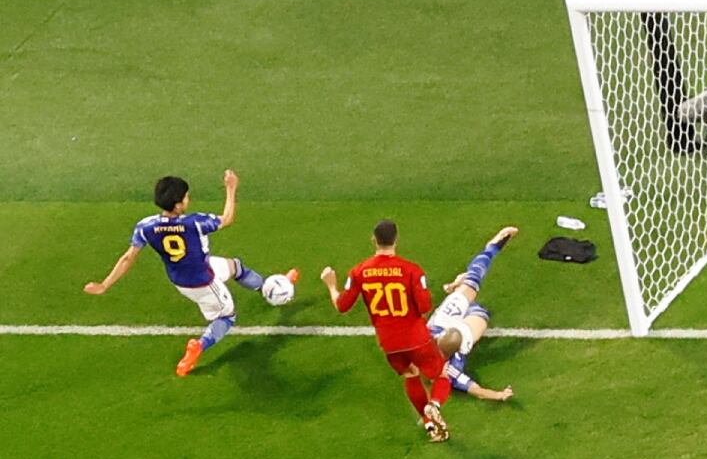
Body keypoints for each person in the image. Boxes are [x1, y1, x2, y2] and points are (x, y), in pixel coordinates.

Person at [84, 171, 298, 376]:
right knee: (227, 316)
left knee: (235, 267)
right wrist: (231, 189)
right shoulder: (194, 223)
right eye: (186, 196)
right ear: (178, 205)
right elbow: (228, 218)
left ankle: (269, 288)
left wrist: (104, 285)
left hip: (182, 277)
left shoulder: (145, 227)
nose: (189, 198)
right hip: (203, 281)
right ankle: (198, 347)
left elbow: (128, 258)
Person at [319, 220, 453, 442]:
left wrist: (331, 286)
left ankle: (430, 426)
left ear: (374, 240)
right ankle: (434, 405)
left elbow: (342, 306)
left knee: (410, 374)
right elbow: (425, 306)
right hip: (416, 337)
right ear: (396, 239)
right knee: (441, 374)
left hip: (389, 343)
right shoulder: (411, 270)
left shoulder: (359, 271)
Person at [428, 226, 519, 402]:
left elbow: (475, 389)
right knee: (480, 307)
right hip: (448, 322)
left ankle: (461, 282)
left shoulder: (425, 344)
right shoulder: (450, 369)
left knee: (473, 292)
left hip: (443, 320)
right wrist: (499, 395)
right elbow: (475, 389)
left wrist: (499, 395)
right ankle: (489, 250)